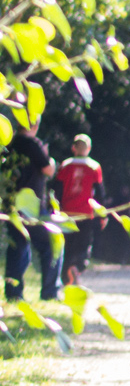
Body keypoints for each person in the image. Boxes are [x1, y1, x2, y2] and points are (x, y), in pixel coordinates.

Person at [3, 123, 60, 302]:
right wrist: (47, 155)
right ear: (35, 124)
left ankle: (13, 293)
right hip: (31, 207)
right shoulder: (33, 144)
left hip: (10, 205)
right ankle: (50, 292)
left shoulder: (9, 143)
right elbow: (48, 170)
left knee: (17, 246)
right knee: (52, 244)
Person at [56, 134, 104, 286]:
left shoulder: (65, 165)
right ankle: (77, 267)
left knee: (68, 245)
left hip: (67, 213)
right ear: (89, 149)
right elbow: (100, 193)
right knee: (83, 245)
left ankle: (67, 278)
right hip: (85, 213)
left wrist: (55, 209)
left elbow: (57, 189)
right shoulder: (94, 166)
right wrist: (103, 215)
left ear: (73, 148)